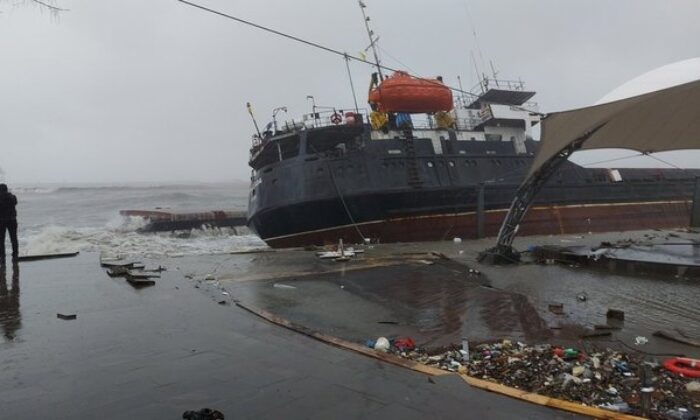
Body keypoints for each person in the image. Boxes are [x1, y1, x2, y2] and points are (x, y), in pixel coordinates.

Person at [0, 184, 18, 265]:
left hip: (2, 221)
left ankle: (2, 257)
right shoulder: (12, 197)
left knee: (1, 240)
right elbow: (15, 203)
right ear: (7, 189)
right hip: (12, 220)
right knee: (14, 238)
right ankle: (15, 256)